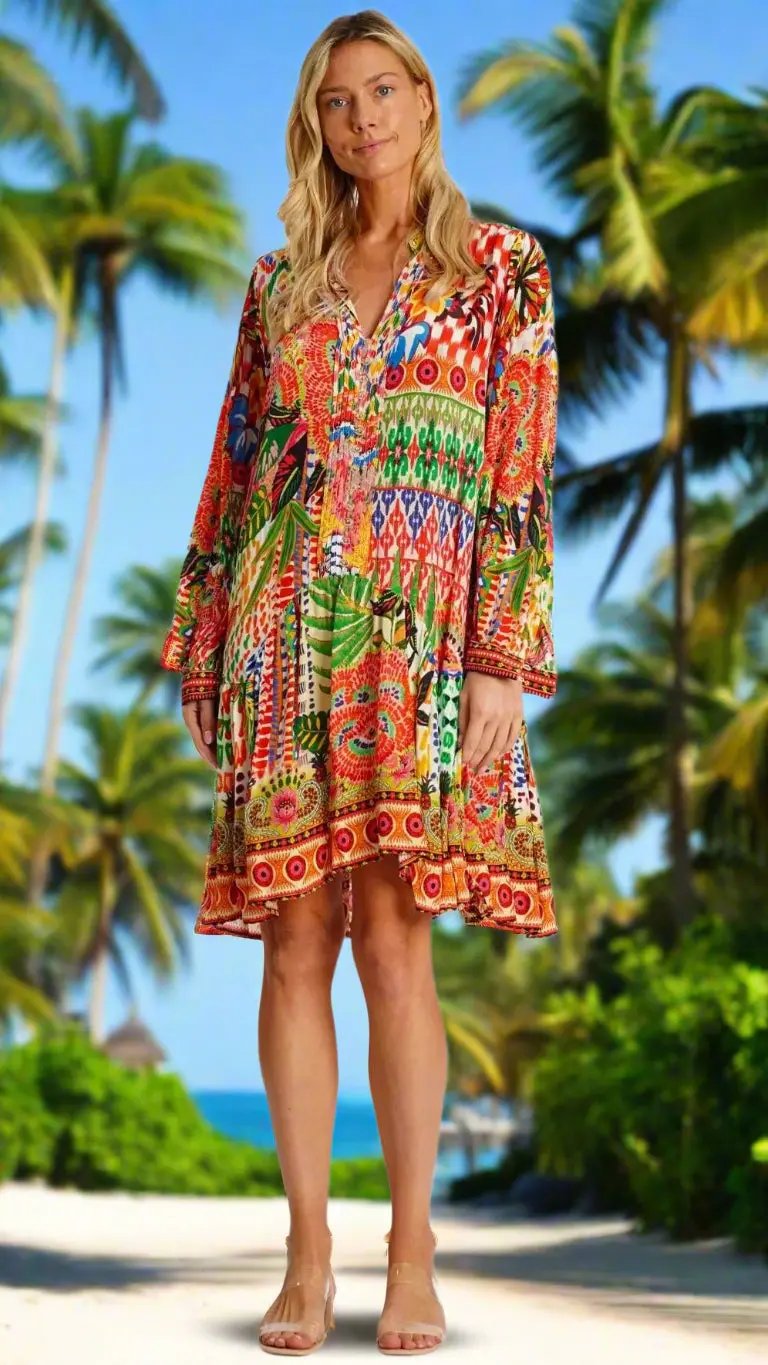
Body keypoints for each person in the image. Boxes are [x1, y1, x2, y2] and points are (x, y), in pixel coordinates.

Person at [160, 8, 559, 1356]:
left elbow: (519, 473)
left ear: (426, 103)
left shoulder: (505, 273)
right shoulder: (280, 285)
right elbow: (233, 471)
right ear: (316, 125)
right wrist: (204, 636)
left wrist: (503, 657)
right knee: (292, 942)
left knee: (396, 938)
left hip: (423, 643)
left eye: (383, 91)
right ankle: (308, 1254)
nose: (363, 119)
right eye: (338, 101)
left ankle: (413, 1251)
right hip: (285, 634)